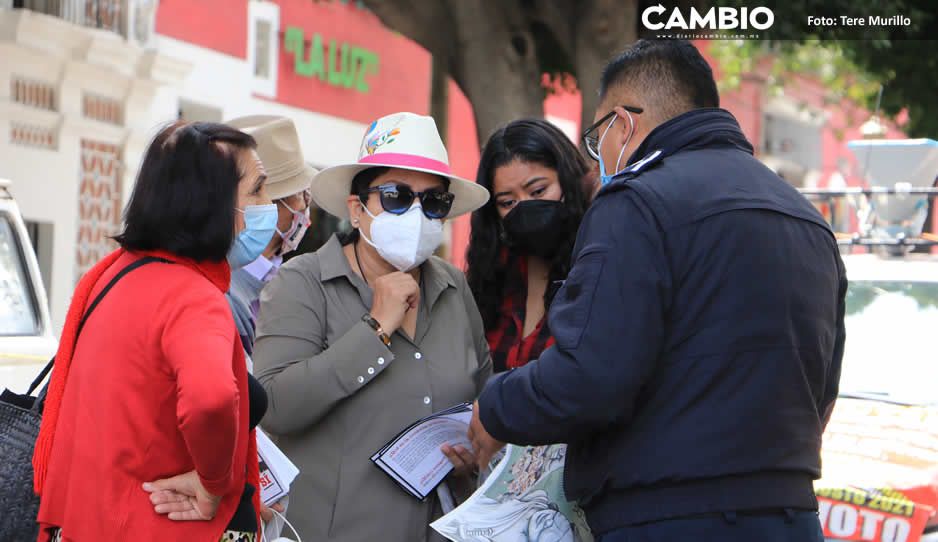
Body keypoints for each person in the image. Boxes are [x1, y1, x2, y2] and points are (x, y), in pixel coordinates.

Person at [469, 39, 846, 542]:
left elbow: (591, 375)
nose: (597, 156)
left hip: (665, 516)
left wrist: (496, 407)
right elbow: (822, 389)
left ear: (621, 125)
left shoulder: (637, 201)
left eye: (596, 136)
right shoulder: (804, 216)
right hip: (790, 517)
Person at [253, 112, 493, 541]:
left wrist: (474, 455)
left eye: (433, 202)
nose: (416, 213)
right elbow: (274, 406)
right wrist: (375, 329)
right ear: (357, 209)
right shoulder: (303, 281)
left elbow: (481, 396)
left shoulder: (454, 285)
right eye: (397, 196)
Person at [32, 121, 273, 541]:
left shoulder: (113, 276)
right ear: (208, 202)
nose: (266, 205)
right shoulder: (193, 297)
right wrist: (214, 483)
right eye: (256, 190)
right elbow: (211, 399)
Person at [466, 118, 590, 373]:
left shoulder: (596, 264)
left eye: (537, 191)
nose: (525, 208)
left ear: (568, 181)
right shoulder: (491, 275)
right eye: (508, 202)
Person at [223, 115, 318, 361]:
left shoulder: (288, 278)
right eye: (299, 195)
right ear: (268, 205)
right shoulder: (224, 285)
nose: (305, 206)